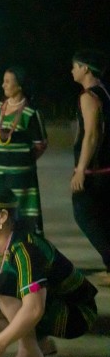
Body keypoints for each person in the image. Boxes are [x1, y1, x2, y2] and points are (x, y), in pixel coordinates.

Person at [0, 185, 98, 357]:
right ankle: (40, 344)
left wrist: (0, 343)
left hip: (76, 312)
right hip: (46, 305)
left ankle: (30, 354)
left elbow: (35, 308)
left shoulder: (26, 249)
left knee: (4, 287)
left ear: (2, 216)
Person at [0, 67, 48, 235]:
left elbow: (40, 144)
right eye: (3, 81)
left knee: (21, 219)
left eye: (7, 81)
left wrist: (23, 162)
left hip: (22, 180)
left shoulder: (31, 113)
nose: (3, 85)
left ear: (19, 85)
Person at [69, 49, 110, 286]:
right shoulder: (105, 91)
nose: (72, 71)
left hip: (96, 170)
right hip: (106, 167)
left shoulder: (88, 96)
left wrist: (80, 169)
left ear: (85, 68)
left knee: (84, 214)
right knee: (104, 217)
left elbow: (92, 134)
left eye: (75, 66)